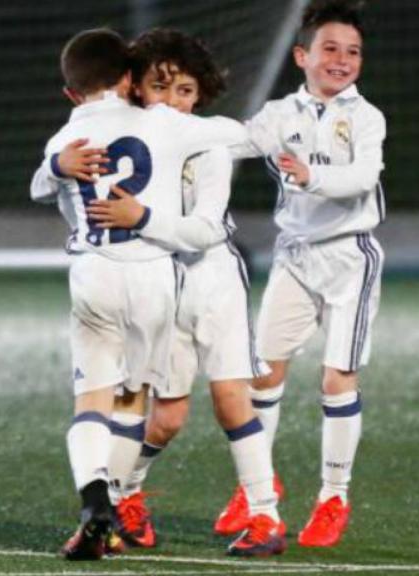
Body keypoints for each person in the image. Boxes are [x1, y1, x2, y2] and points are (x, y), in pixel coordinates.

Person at [29, 27, 247, 561]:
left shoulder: (63, 141)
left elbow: (38, 185)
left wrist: (57, 167)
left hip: (94, 275)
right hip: (152, 277)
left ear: (70, 93)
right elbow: (234, 132)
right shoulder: (162, 122)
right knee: (132, 402)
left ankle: (95, 502)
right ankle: (116, 502)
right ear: (129, 79)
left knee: (91, 405)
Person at [72, 28, 285, 557]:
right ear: (135, 88)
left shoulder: (207, 144)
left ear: (201, 95)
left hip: (213, 282)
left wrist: (140, 216)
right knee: (161, 416)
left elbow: (206, 229)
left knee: (231, 400)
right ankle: (125, 501)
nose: (173, 101)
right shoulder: (124, 140)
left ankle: (266, 518)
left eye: (185, 91)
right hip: (159, 285)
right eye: (161, 87)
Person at [226, 0, 387, 548]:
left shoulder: (366, 117)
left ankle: (333, 497)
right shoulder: (279, 115)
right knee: (262, 374)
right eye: (331, 49)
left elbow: (362, 178)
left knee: (336, 379)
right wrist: (171, 133)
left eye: (353, 51)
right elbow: (236, 140)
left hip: (349, 258)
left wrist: (311, 174)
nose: (343, 60)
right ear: (303, 56)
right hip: (294, 256)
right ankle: (256, 489)